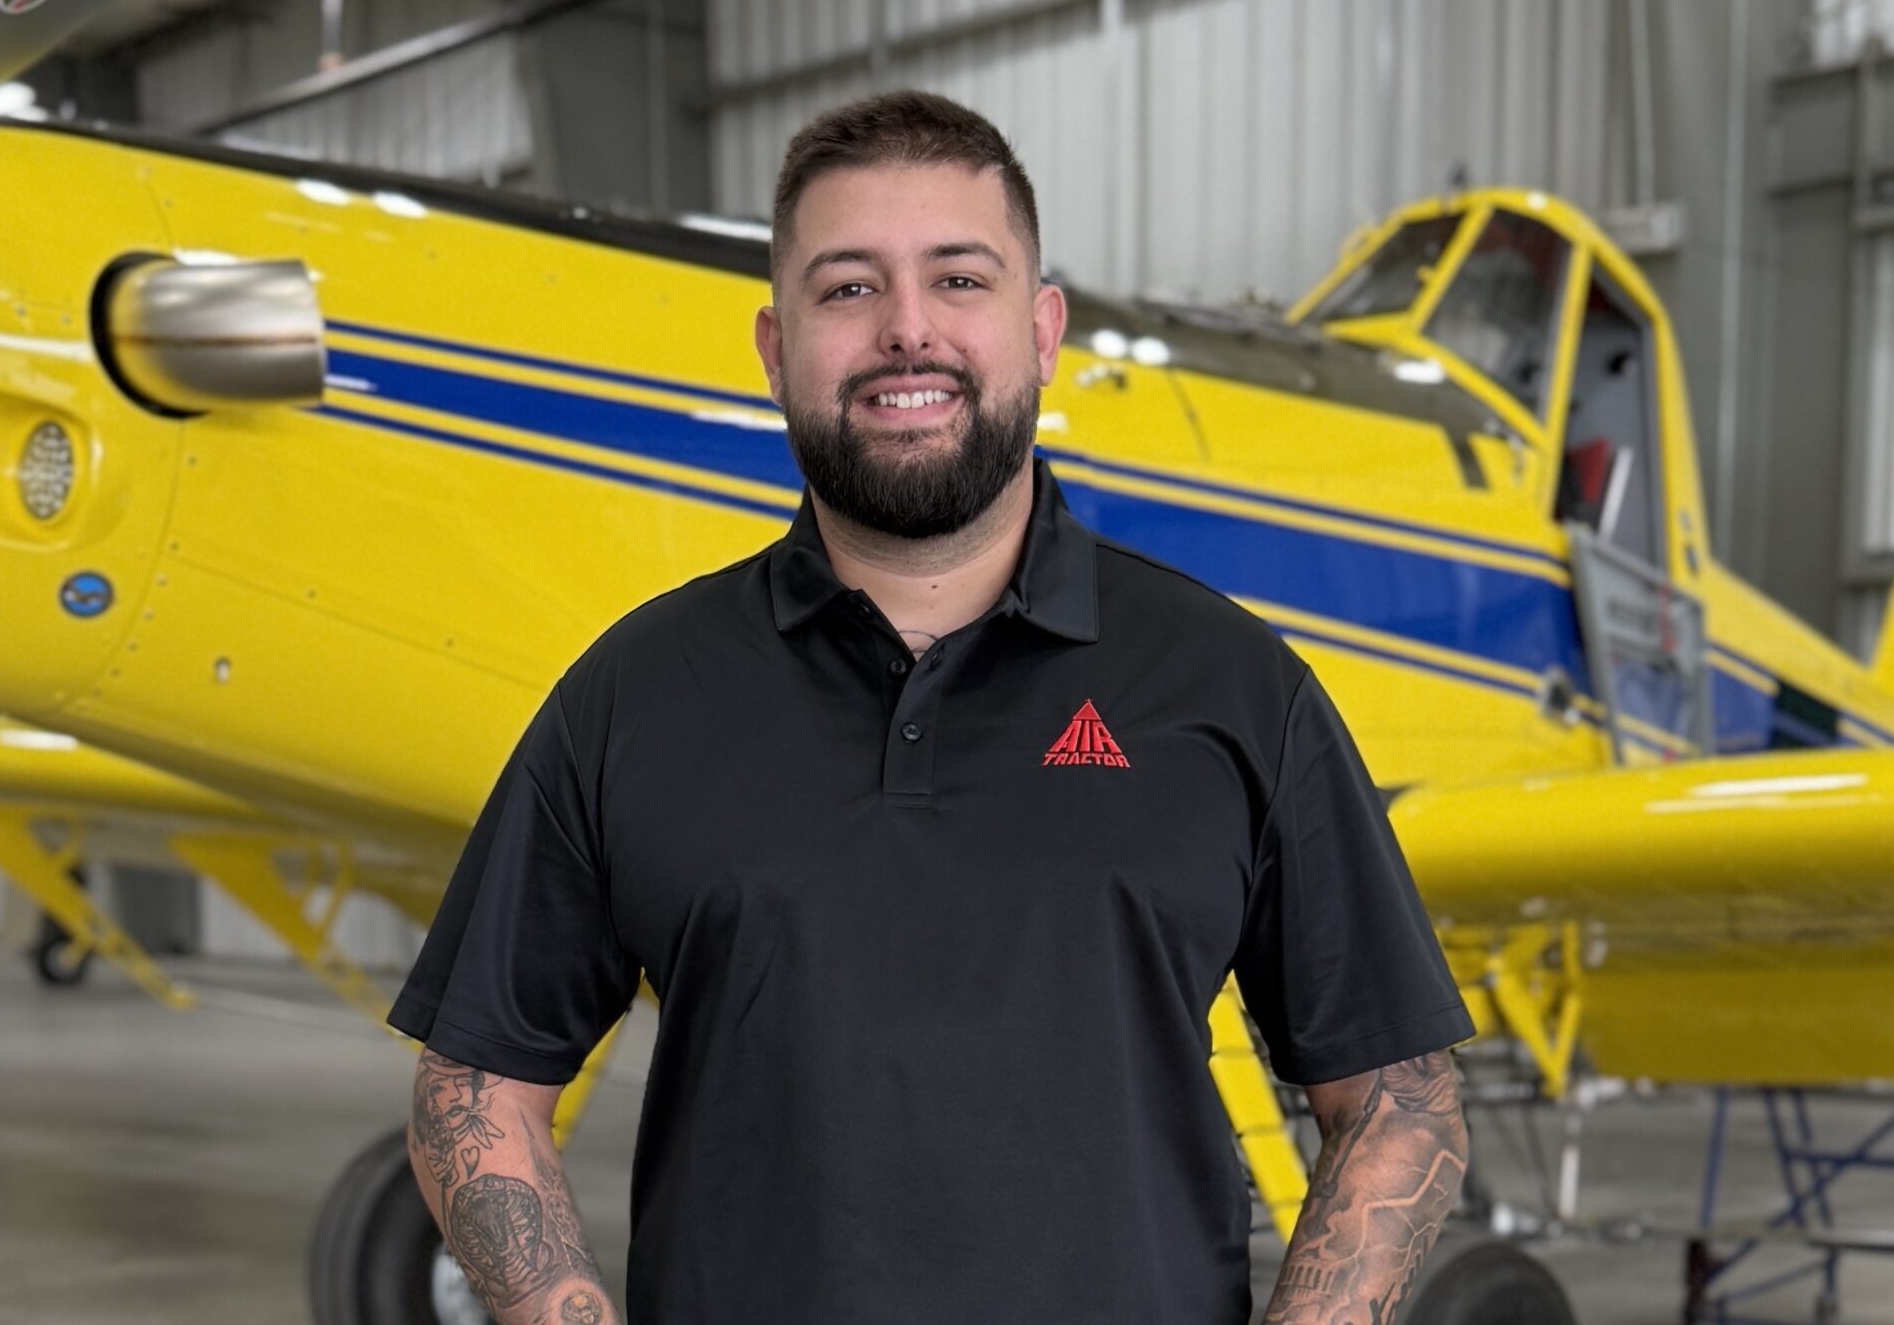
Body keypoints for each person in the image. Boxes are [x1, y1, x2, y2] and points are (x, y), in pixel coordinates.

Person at [386, 90, 1474, 1324]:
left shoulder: (1228, 683)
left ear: (1043, 327)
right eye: (847, 288)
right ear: (773, 344)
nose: (908, 331)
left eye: (959, 279)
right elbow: (474, 1081)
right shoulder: (634, 693)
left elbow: (1397, 1093)